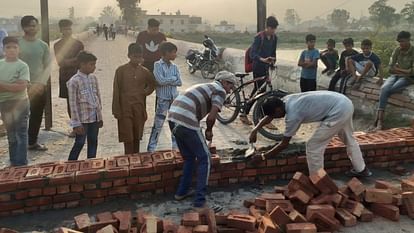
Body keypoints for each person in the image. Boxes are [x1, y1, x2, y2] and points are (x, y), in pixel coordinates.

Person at [248, 91, 372, 177]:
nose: (274, 119)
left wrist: (263, 157)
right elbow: (268, 117)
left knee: (313, 146)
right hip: (344, 102)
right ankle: (361, 169)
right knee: (349, 139)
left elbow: (284, 144)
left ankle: (317, 179)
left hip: (337, 111)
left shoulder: (293, 115)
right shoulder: (285, 100)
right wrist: (255, 130)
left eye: (274, 115)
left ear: (278, 110)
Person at [168, 71, 236, 212]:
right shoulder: (220, 90)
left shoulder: (206, 86)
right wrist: (209, 131)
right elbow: (211, 117)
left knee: (189, 158)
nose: (230, 90)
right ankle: (200, 203)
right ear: (224, 82)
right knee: (205, 159)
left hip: (173, 118)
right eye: (230, 85)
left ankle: (181, 193)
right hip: (186, 120)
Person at [112, 43, 157, 154]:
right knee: (128, 137)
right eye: (135, 57)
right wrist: (116, 110)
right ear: (129, 56)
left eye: (139, 57)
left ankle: (136, 161)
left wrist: (145, 92)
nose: (137, 59)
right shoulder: (121, 71)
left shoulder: (145, 71)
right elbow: (116, 90)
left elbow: (153, 84)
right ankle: (128, 161)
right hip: (125, 107)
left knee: (137, 136)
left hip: (139, 107)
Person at [18, 15, 51, 151]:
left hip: (39, 86)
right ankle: (19, 144)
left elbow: (47, 66)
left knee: (36, 115)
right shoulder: (17, 44)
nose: (33, 28)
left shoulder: (43, 45)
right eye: (30, 25)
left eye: (35, 25)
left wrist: (42, 83)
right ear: (24, 27)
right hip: (20, 86)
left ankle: (32, 141)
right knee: (20, 116)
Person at [240, 16, 278, 125]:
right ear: (267, 27)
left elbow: (273, 52)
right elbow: (253, 54)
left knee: (261, 91)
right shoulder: (259, 37)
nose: (273, 31)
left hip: (266, 66)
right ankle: (249, 114)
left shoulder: (274, 38)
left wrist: (272, 61)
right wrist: (263, 59)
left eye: (274, 29)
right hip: (258, 66)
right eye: (271, 28)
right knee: (259, 91)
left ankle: (253, 114)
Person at [373, 31, 414, 131]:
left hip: (408, 78)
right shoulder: (397, 50)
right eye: (399, 42)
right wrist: (404, 70)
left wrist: (399, 69)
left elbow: (412, 71)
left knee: (392, 88)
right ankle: (379, 121)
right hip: (395, 75)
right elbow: (390, 68)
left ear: (408, 40)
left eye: (403, 41)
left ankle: (378, 120)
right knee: (384, 88)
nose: (401, 44)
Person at [0, 36, 30, 166]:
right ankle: (13, 161)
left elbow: (21, 87)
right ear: (3, 49)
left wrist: (2, 85)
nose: (11, 50)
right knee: (11, 134)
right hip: (4, 104)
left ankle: (22, 164)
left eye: (14, 47)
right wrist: (12, 85)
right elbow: (15, 87)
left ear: (19, 49)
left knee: (21, 133)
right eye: (8, 47)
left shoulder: (23, 66)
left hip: (20, 103)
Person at [67, 51, 102, 160]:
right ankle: (71, 164)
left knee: (93, 141)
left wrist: (99, 117)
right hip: (82, 120)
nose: (94, 67)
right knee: (80, 142)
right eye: (91, 64)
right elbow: (73, 104)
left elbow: (98, 98)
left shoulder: (93, 78)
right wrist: (76, 123)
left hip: (94, 118)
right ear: (82, 64)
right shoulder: (74, 81)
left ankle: (91, 163)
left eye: (94, 65)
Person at [147, 42, 181, 152]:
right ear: (166, 53)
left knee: (175, 125)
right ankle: (151, 149)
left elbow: (179, 82)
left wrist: (169, 80)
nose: (175, 55)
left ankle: (175, 148)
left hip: (174, 99)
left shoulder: (175, 66)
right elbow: (160, 81)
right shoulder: (157, 65)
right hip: (162, 99)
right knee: (158, 125)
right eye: (174, 52)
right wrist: (172, 79)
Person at [54, 19, 84, 137]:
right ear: (61, 30)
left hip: (79, 76)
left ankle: (83, 126)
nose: (68, 31)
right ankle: (75, 127)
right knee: (70, 103)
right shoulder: (57, 45)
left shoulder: (78, 44)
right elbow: (60, 62)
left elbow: (82, 60)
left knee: (81, 101)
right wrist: (75, 61)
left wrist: (69, 61)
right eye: (65, 28)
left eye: (69, 28)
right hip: (65, 77)